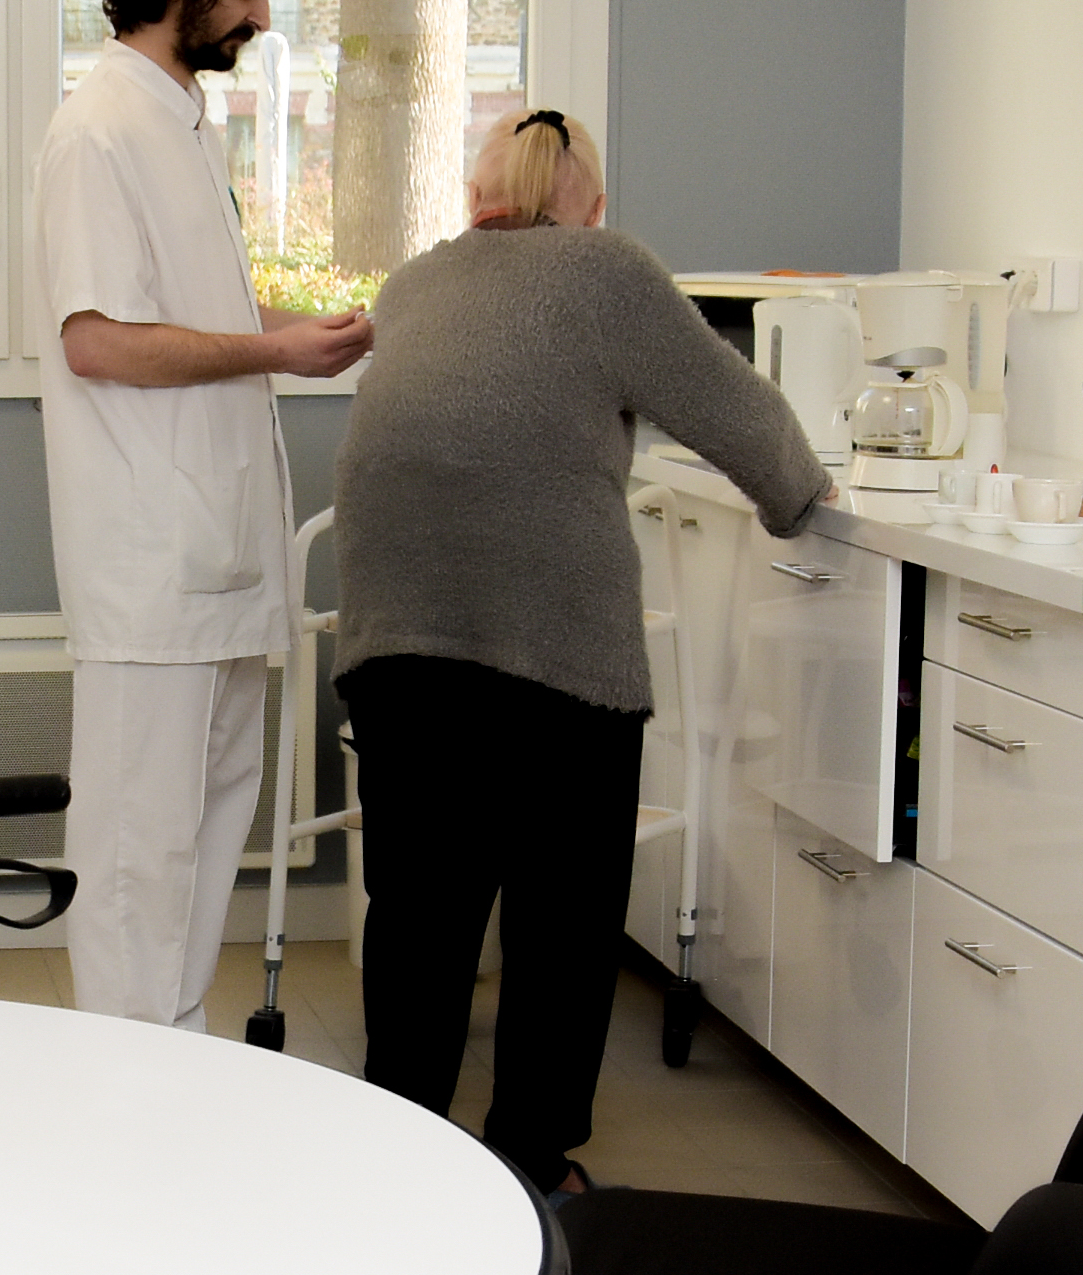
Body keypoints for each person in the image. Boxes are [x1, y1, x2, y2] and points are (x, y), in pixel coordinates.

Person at [331, 110, 829, 1194]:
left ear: (479, 199)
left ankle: (395, 1147)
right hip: (553, 646)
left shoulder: (413, 283)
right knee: (560, 913)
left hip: (391, 639)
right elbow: (736, 414)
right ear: (587, 206)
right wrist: (802, 495)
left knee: (420, 906)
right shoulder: (606, 270)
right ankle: (529, 1164)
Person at [29, 0, 374, 1029]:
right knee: (137, 856)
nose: (260, 17)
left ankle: (171, 1070)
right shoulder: (98, 131)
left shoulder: (180, 124)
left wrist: (300, 331)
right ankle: (124, 1099)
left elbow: (194, 322)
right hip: (151, 562)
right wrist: (274, 355)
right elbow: (98, 343)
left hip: (217, 558)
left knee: (205, 834)